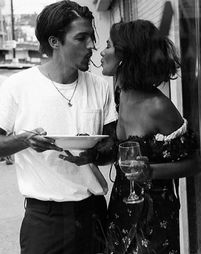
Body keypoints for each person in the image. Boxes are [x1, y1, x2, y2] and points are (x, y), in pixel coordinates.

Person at [0, 1, 117, 254]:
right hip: (44, 219)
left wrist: (94, 153)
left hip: (93, 213)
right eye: (81, 38)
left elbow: (113, 145)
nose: (91, 46)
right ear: (55, 42)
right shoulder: (17, 86)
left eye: (92, 37)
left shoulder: (99, 86)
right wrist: (24, 141)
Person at [99, 20, 201, 254]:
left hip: (155, 216)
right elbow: (120, 146)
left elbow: (195, 164)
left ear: (126, 55)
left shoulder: (159, 107)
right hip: (120, 207)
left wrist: (151, 171)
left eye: (108, 45)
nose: (102, 52)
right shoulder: (121, 93)